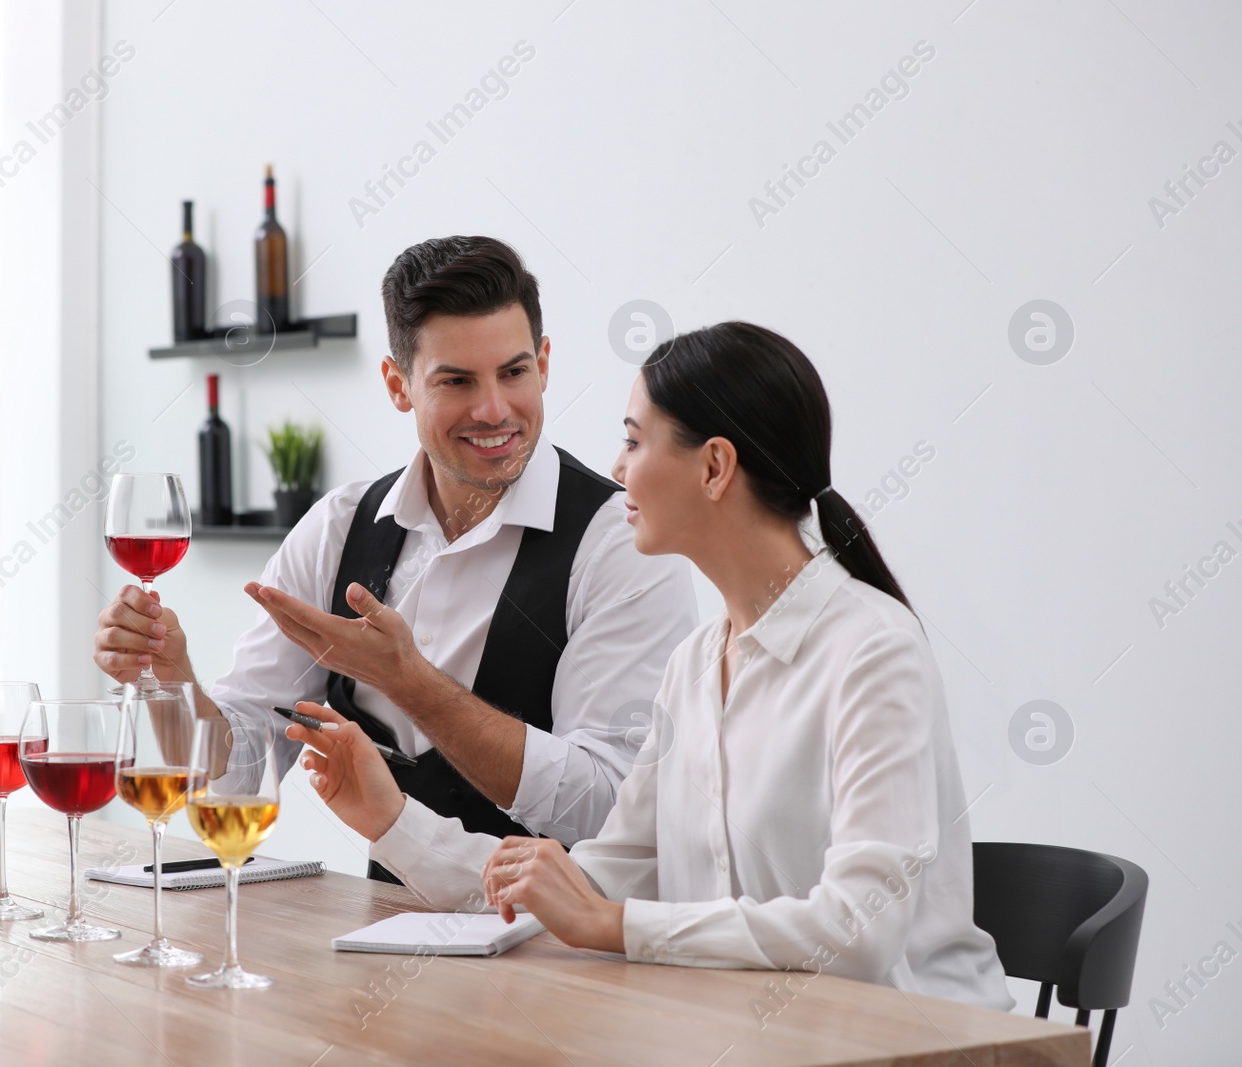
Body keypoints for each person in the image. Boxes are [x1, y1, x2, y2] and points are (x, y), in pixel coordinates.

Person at [284, 321, 1013, 1009]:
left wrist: (618, 925)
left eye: (634, 441)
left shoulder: (871, 649)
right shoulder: (697, 663)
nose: (615, 468)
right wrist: (393, 819)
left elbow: (859, 929)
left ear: (715, 466)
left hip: (912, 1043)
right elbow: (583, 884)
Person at [94, 236, 698, 880]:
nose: (494, 409)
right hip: (381, 927)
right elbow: (243, 765)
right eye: (456, 381)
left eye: (514, 372)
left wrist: (411, 683)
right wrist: (173, 682)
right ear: (398, 384)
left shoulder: (624, 544)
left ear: (544, 365)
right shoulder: (337, 528)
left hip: (566, 951)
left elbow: (611, 809)